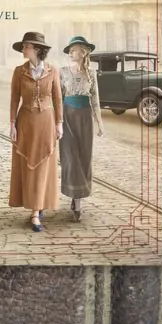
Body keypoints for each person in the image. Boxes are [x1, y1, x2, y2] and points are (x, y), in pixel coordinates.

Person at [8, 29, 62, 233]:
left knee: (43, 166)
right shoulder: (19, 71)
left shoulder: (52, 71)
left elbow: (58, 99)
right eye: (23, 46)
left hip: (46, 122)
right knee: (28, 166)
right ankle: (34, 208)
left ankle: (36, 211)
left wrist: (59, 123)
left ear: (37, 49)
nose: (23, 49)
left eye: (26, 46)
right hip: (26, 123)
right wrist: (12, 124)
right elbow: (14, 99)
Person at [58, 35, 104, 220]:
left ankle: (77, 199)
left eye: (74, 50)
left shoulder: (91, 73)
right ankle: (74, 198)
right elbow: (58, 99)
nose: (71, 53)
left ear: (83, 52)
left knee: (84, 158)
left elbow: (95, 100)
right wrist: (57, 122)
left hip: (85, 118)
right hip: (67, 117)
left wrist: (100, 123)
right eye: (69, 50)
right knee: (71, 158)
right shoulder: (62, 72)